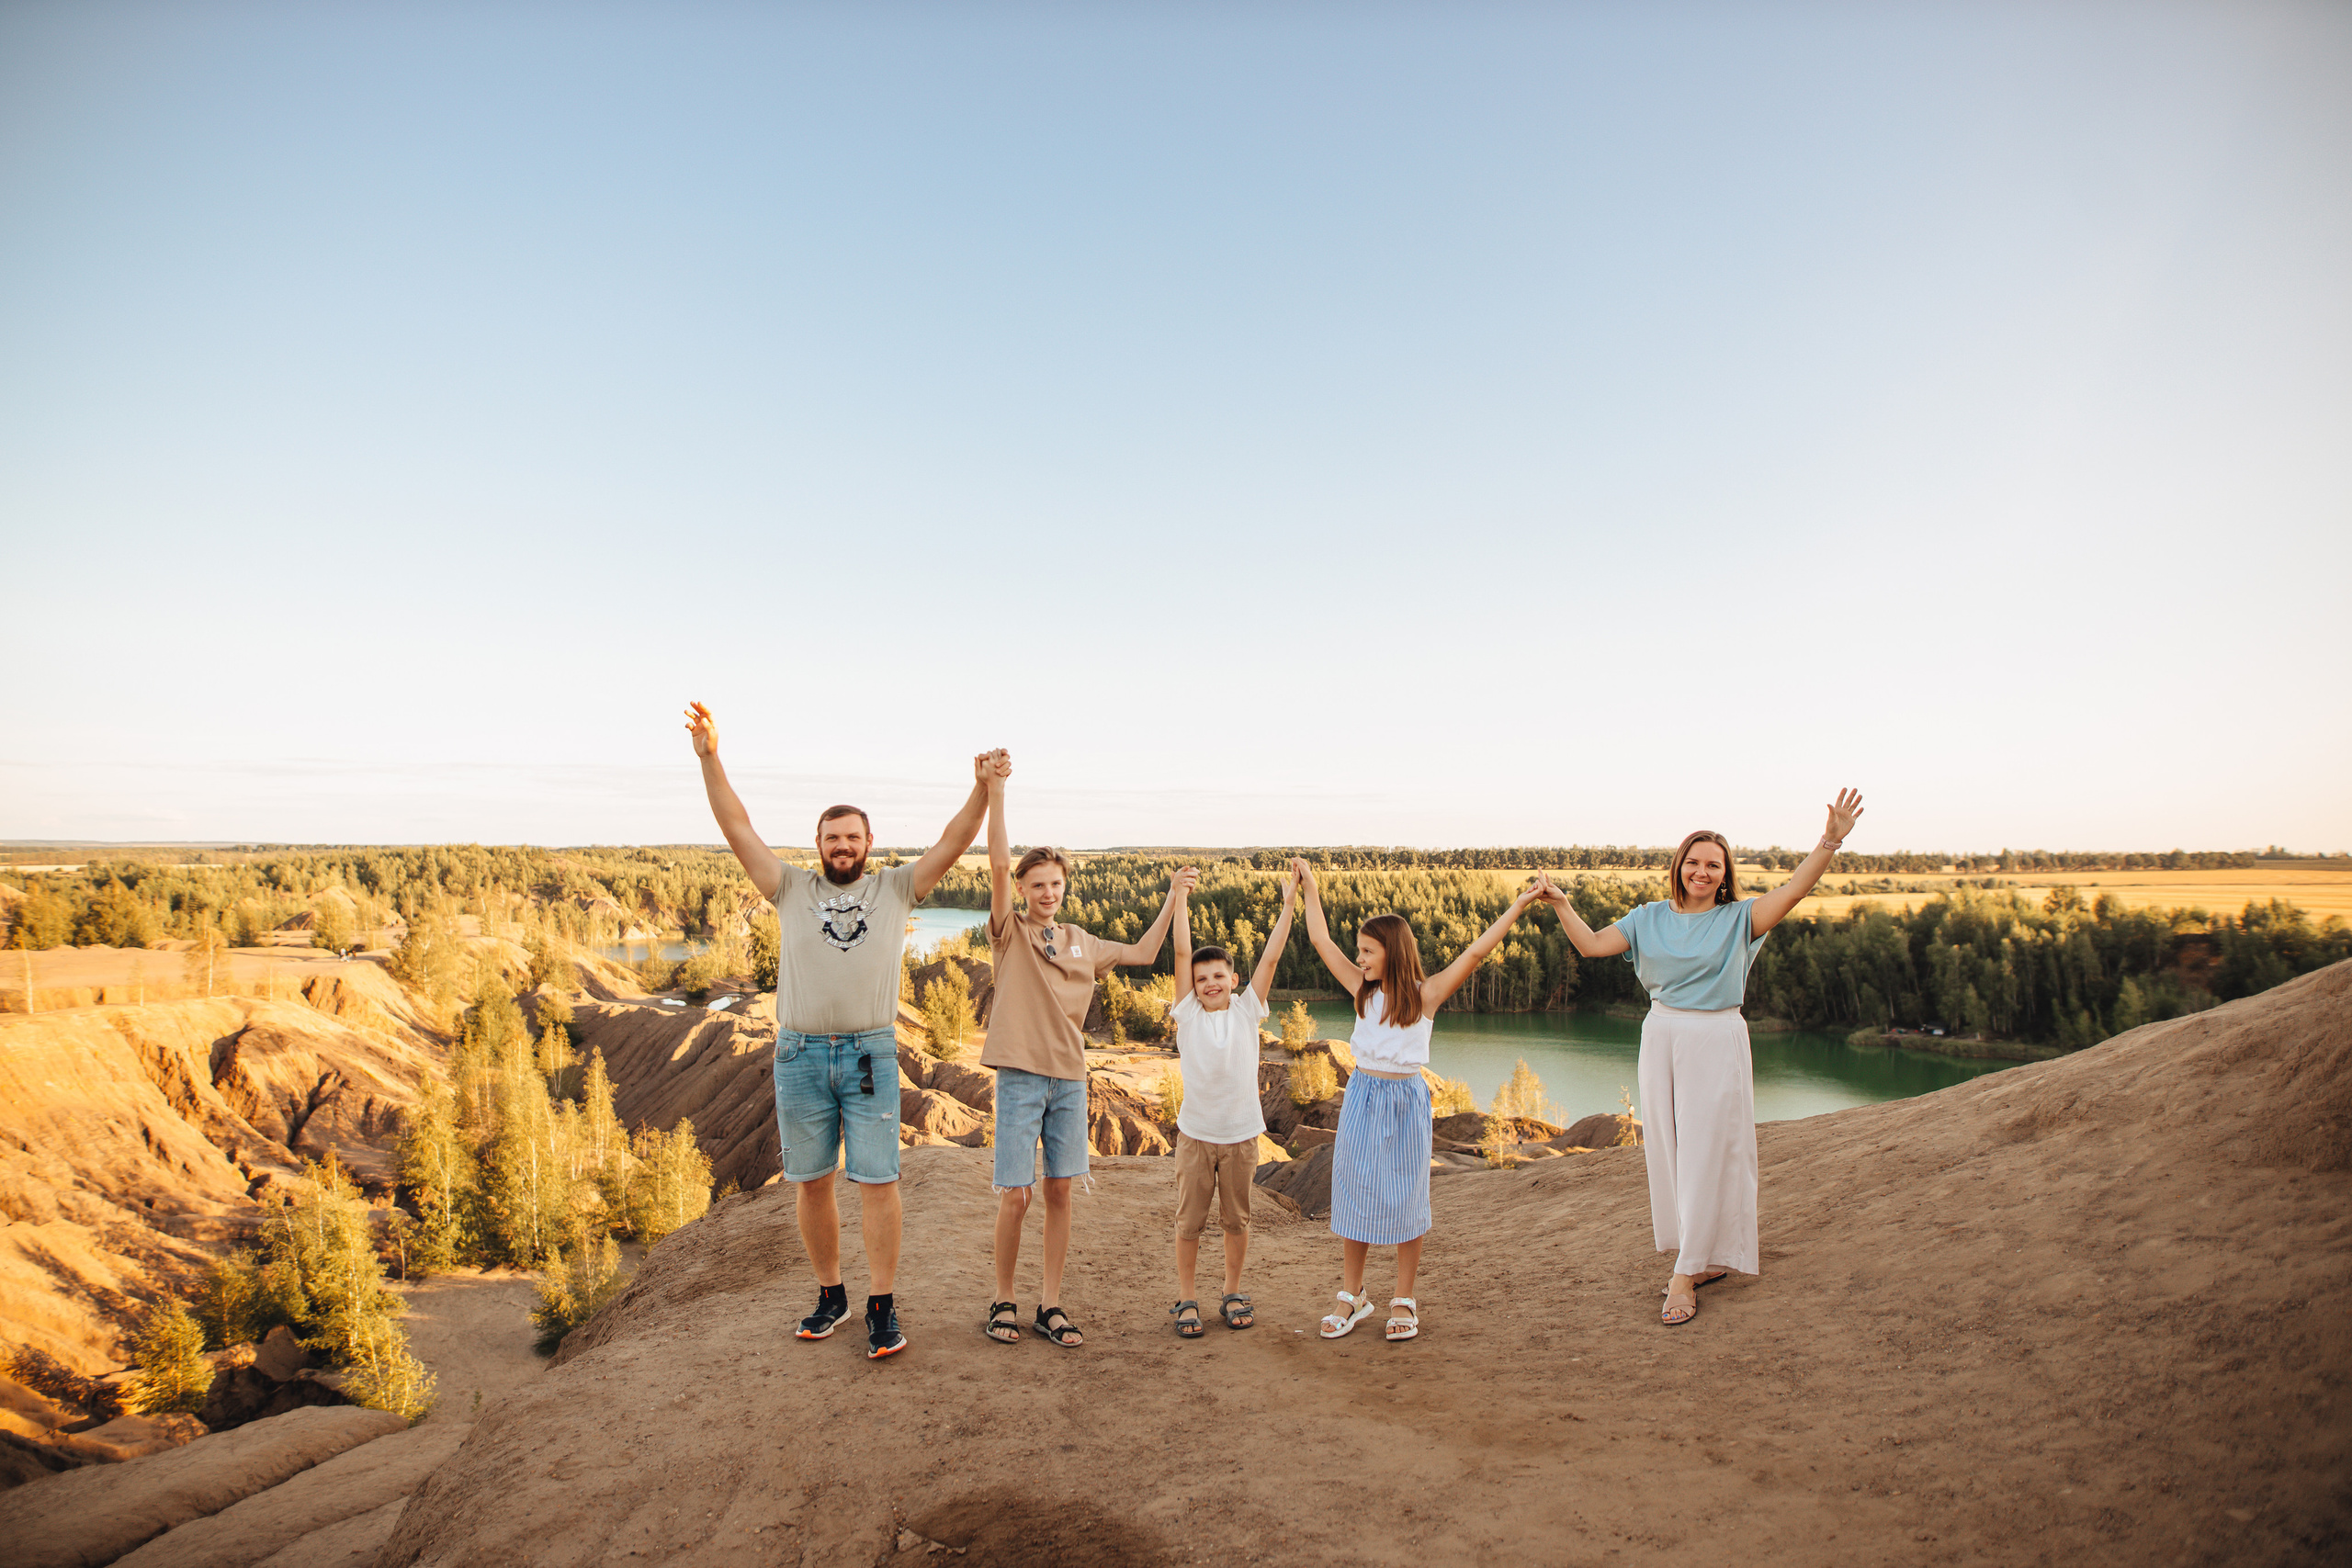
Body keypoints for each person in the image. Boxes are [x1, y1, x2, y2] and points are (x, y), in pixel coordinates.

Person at [686, 700, 998, 1360]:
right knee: (812, 1181)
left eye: (853, 837)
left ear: (869, 844)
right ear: (819, 845)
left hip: (869, 1055)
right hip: (798, 1054)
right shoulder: (789, 887)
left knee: (879, 1180)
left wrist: (979, 788)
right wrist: (711, 756)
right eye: (833, 837)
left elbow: (955, 839)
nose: (843, 846)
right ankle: (833, 1294)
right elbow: (736, 826)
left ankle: (881, 1302)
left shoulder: (896, 889)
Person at [1533, 788, 1864, 1327]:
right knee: (1669, 1151)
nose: (1702, 872)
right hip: (1660, 1033)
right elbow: (1592, 947)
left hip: (1716, 1038)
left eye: (1714, 864)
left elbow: (1798, 888)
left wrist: (1830, 840)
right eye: (1694, 862)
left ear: (1726, 872)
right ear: (1679, 867)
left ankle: (1684, 1275)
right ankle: (1701, 1254)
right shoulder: (1647, 918)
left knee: (1709, 1151)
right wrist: (1564, 905)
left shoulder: (1741, 920)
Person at [979, 753, 1193, 1349]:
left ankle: (1050, 1303)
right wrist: (996, 793)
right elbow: (997, 861)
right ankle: (1002, 1299)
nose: (1047, 893)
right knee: (1016, 1195)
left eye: (1055, 884)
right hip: (1022, 1077)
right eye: (1036, 884)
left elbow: (1147, 953)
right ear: (1023, 889)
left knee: (1059, 1191)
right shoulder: (1009, 933)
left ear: (1064, 888)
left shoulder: (1083, 942)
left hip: (1070, 1080)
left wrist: (1175, 895)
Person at [1295, 857, 1544, 1342]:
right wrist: (1311, 889)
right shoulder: (1360, 991)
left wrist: (1516, 906)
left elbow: (1474, 954)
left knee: (1407, 1197)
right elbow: (1320, 941)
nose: (1360, 959)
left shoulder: (1425, 995)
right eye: (1359, 952)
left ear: (1392, 952)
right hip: (1363, 1096)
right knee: (1355, 1193)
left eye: (1368, 951)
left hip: (1406, 1101)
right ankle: (1353, 1295)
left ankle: (1403, 1297)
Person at [1162, 863, 1299, 1337]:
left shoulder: (1247, 1011)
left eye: (1218, 975)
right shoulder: (1189, 1016)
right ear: (1193, 987)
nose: (1209, 984)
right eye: (1201, 979)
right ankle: (1186, 1299)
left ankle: (1233, 1292)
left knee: (1236, 1220)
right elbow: (1182, 949)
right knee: (1189, 1223)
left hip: (1241, 1139)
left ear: (1234, 978)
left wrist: (1288, 906)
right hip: (1196, 1138)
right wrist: (1179, 898)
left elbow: (1272, 958)